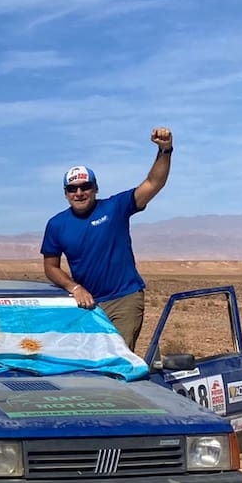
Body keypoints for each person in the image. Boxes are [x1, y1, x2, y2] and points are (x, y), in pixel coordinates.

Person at [41, 128, 174, 351]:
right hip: (86, 303)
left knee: (116, 358)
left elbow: (153, 183)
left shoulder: (115, 208)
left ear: (95, 189)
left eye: (85, 187)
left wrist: (165, 149)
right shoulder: (56, 224)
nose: (79, 192)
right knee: (88, 360)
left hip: (124, 299)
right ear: (66, 193)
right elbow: (50, 267)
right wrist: (74, 288)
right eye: (73, 188)